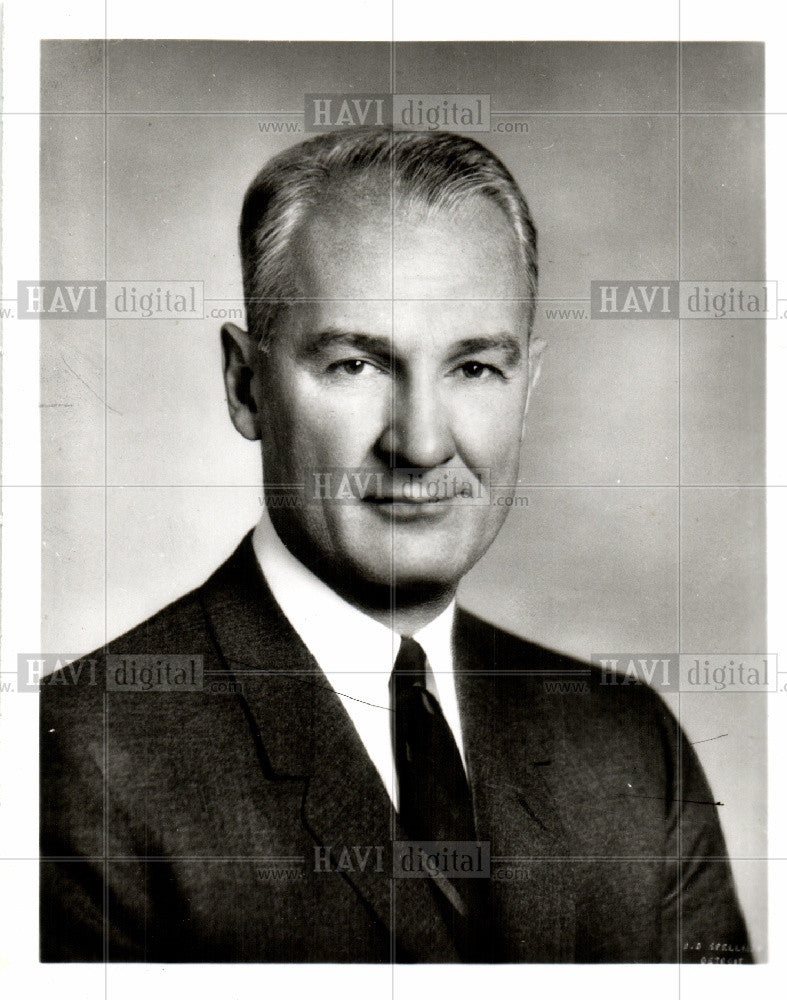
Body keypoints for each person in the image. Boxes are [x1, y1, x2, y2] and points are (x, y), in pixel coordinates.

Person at [40, 127, 751, 963]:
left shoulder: (631, 747)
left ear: (527, 391)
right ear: (245, 386)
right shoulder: (80, 759)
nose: (419, 445)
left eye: (475, 368)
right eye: (355, 365)